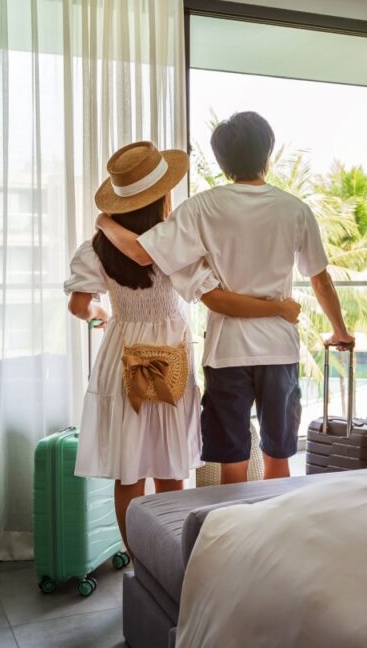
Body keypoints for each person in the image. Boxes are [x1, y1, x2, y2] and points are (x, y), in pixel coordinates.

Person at [66, 140, 301, 552]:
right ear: (160, 197)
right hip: (170, 356)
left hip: (122, 357)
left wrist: (103, 316)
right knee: (170, 467)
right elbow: (203, 290)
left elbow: (79, 304)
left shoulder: (96, 248)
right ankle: (172, 557)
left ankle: (141, 561)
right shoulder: (176, 245)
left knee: (129, 472)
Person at [97, 112, 353, 485]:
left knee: (233, 462)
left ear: (221, 161)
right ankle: (274, 536)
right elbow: (321, 279)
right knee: (278, 456)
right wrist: (339, 331)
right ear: (268, 151)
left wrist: (103, 222)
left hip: (226, 352)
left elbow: (141, 253)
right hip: (278, 349)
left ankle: (237, 538)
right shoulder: (295, 209)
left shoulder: (202, 207)